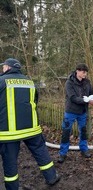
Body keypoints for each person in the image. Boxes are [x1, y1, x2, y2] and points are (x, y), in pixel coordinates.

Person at [0, 58, 60, 189]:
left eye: (3, 67)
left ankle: (12, 187)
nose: (2, 69)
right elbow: (35, 101)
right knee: (41, 152)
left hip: (9, 132)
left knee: (10, 161)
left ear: (8, 67)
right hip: (32, 128)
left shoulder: (1, 81)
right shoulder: (29, 82)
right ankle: (52, 177)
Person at [58, 63, 93, 163]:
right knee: (66, 132)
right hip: (70, 111)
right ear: (77, 71)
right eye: (83, 72)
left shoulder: (87, 82)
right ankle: (63, 153)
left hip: (82, 112)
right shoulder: (69, 83)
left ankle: (84, 149)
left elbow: (92, 92)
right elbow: (73, 98)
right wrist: (87, 101)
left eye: (86, 73)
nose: (85, 74)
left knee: (83, 132)